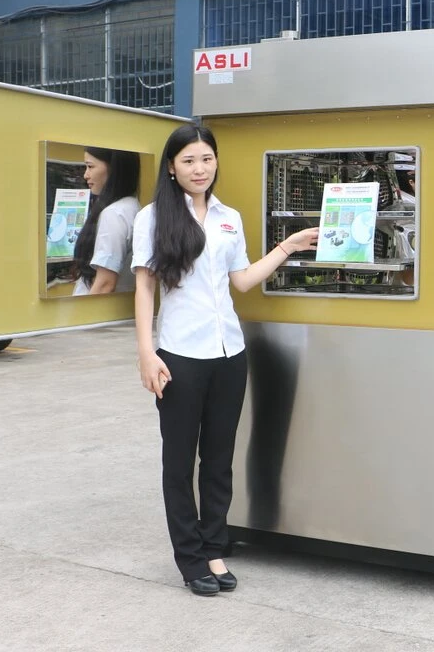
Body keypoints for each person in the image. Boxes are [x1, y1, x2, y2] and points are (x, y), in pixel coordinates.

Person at [132, 124, 318, 597]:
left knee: (218, 459)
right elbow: (145, 288)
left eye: (207, 159)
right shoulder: (153, 219)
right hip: (179, 356)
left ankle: (215, 547)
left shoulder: (228, 218)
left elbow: (242, 282)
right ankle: (190, 558)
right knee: (179, 463)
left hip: (229, 354)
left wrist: (288, 246)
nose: (200, 169)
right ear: (172, 167)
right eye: (190, 160)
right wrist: (146, 352)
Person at [72, 147, 141, 295]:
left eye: (90, 166)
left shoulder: (114, 213)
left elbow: (105, 283)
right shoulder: (132, 207)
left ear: (114, 168)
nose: (86, 175)